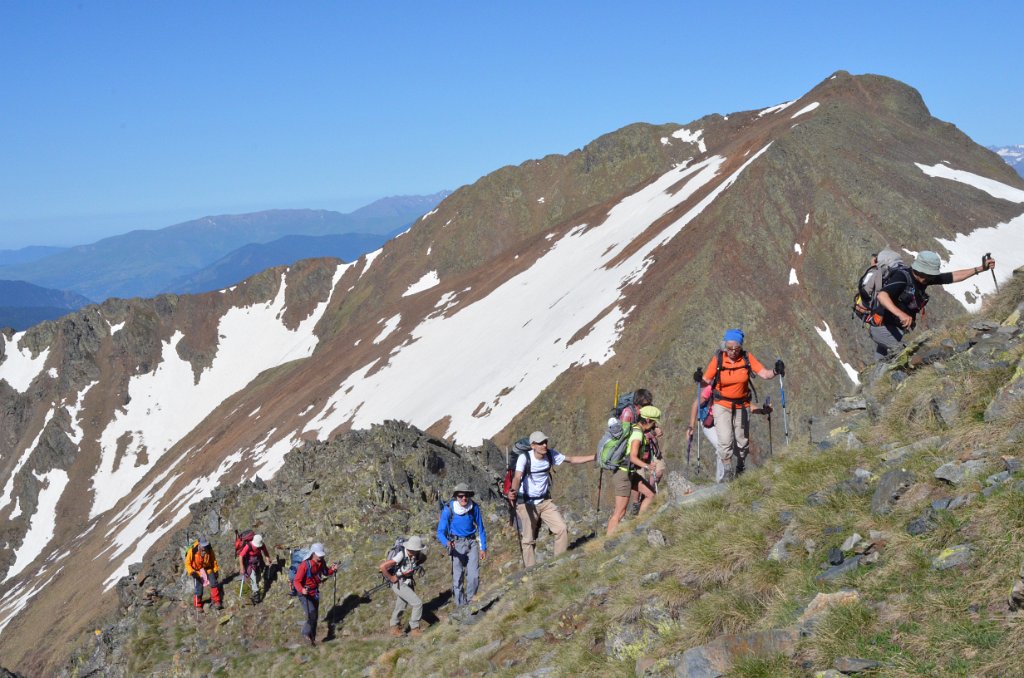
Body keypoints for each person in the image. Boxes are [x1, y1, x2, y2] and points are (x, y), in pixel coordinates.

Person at [871, 250, 996, 361]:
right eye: (928, 274)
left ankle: (874, 380)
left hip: (896, 329)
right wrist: (901, 314)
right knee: (905, 355)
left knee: (882, 362)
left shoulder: (925, 278)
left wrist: (980, 269)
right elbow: (882, 296)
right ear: (919, 270)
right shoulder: (902, 277)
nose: (930, 278)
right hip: (882, 328)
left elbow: (952, 276)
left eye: (931, 275)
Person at [702, 329, 783, 480]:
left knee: (742, 441)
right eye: (729, 348)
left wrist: (775, 371)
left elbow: (765, 374)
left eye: (736, 348)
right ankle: (728, 472)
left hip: (742, 405)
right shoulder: (718, 359)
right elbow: (705, 381)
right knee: (725, 440)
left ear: (740, 347)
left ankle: (740, 466)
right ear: (724, 345)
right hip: (721, 405)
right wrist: (698, 378)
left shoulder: (746, 358)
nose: (733, 352)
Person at [506, 431, 595, 567]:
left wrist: (594, 457)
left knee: (561, 528)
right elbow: (517, 477)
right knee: (528, 539)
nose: (544, 445)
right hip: (526, 503)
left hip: (544, 502)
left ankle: (558, 564)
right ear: (533, 446)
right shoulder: (524, 458)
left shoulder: (550, 454)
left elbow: (572, 459)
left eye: (545, 442)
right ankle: (531, 571)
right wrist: (513, 491)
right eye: (540, 443)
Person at [688, 378, 772, 483]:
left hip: (724, 421)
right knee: (721, 446)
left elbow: (748, 406)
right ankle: (721, 480)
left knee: (730, 447)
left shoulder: (735, 390)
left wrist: (763, 411)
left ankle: (728, 476)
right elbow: (695, 405)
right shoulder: (712, 388)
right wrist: (691, 426)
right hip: (709, 422)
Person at [607, 406, 662, 534]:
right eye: (654, 422)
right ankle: (607, 541)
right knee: (619, 513)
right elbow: (632, 457)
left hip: (629, 472)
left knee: (650, 494)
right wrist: (647, 466)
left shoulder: (635, 429)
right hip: (623, 474)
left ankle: (639, 526)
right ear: (647, 420)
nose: (654, 425)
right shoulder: (637, 434)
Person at [437, 482, 487, 608]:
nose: (464, 498)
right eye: (460, 496)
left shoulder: (474, 507)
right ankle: (461, 606)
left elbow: (481, 528)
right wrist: (447, 543)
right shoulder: (448, 509)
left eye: (466, 496)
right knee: (458, 577)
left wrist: (483, 548)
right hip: (456, 545)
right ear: (456, 497)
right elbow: (440, 532)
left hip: (472, 543)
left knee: (474, 576)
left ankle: (470, 602)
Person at [618, 389, 665, 515]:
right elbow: (626, 435)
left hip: (650, 446)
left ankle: (647, 496)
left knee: (659, 471)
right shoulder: (628, 414)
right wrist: (650, 434)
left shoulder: (648, 410)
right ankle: (637, 503)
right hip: (637, 449)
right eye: (646, 404)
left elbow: (652, 424)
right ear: (638, 404)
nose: (648, 405)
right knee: (639, 477)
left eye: (649, 403)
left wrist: (656, 429)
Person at [380, 535, 428, 637]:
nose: (418, 551)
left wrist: (417, 565)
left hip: (408, 582)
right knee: (417, 603)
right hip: (399, 583)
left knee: (400, 606)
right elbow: (383, 566)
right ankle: (415, 628)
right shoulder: (401, 555)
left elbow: (423, 558)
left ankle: (394, 628)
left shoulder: (415, 555)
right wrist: (391, 578)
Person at [293, 542, 338, 646]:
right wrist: (302, 590)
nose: (321, 557)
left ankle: (312, 639)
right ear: (313, 553)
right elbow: (296, 581)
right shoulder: (304, 565)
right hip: (304, 593)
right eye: (319, 555)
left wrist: (332, 569)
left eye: (322, 555)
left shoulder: (321, 562)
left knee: (315, 616)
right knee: (312, 614)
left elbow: (326, 572)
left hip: (314, 592)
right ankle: (305, 634)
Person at [184, 536, 223, 612]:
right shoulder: (192, 550)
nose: (204, 547)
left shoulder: (209, 549)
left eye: (205, 545)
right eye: (203, 545)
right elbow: (187, 564)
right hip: (197, 571)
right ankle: (198, 605)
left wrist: (215, 570)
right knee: (198, 588)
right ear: (199, 544)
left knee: (214, 583)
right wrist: (192, 572)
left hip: (207, 568)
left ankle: (216, 601)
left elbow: (213, 560)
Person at [237, 533, 272, 603]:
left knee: (258, 577)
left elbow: (265, 552)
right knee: (253, 576)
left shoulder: (262, 545)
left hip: (258, 561)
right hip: (249, 564)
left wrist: (267, 558)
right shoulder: (248, 546)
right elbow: (241, 556)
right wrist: (242, 567)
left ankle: (255, 588)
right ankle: (256, 594)